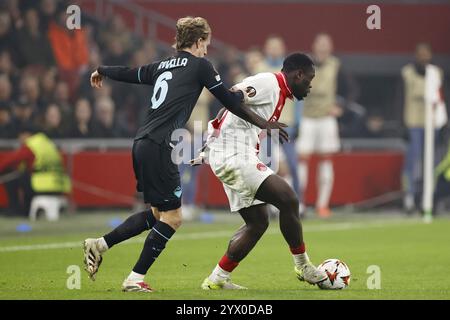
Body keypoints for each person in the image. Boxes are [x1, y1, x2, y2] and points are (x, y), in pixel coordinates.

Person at [83, 16, 287, 293]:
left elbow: (131, 73)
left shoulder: (162, 65)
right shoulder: (200, 65)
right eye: (206, 44)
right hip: (159, 145)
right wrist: (264, 122)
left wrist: (102, 69)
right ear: (199, 41)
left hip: (142, 142)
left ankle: (100, 244)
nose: (207, 50)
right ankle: (134, 279)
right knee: (174, 218)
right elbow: (228, 101)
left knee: (157, 214)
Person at [199, 53, 327, 290]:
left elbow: (225, 112)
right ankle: (303, 266)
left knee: (257, 222)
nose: (310, 85)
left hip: (231, 153)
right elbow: (230, 98)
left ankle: (216, 279)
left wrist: (209, 145)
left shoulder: (278, 93)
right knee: (288, 198)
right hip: (233, 154)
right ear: (298, 74)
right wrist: (262, 124)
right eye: (309, 79)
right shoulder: (268, 83)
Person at [297, 33, 357, 218]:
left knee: (326, 159)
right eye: (319, 44)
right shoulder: (303, 65)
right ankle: (300, 204)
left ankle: (322, 205)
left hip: (326, 119)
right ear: (314, 46)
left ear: (330, 48)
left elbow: (353, 89)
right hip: (307, 118)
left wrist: (341, 107)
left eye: (326, 45)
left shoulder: (336, 66)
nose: (322, 48)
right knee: (301, 160)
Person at [399, 43, 447, 212]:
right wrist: (402, 126)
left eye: (426, 54)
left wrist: (443, 125)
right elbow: (400, 98)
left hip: (432, 124)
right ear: (415, 55)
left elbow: (442, 100)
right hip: (413, 123)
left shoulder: (436, 73)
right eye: (420, 54)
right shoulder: (407, 73)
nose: (423, 57)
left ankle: (430, 195)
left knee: (433, 162)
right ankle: (410, 197)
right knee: (412, 162)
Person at [0, 124, 71, 216]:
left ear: (26, 134)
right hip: (60, 186)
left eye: (20, 136)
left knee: (13, 177)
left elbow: (10, 160)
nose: (19, 139)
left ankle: (17, 209)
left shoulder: (31, 145)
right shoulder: (48, 143)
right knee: (24, 175)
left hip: (42, 186)